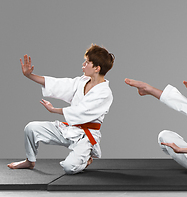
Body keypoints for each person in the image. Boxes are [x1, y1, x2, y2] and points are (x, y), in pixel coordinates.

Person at [8, 44, 115, 174]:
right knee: (31, 128)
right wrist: (30, 76)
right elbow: (59, 84)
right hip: (69, 129)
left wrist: (54, 110)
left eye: (87, 62)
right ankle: (30, 161)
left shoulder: (104, 93)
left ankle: (86, 159)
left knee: (70, 168)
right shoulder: (82, 81)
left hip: (85, 136)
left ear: (97, 68)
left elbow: (81, 111)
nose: (83, 65)